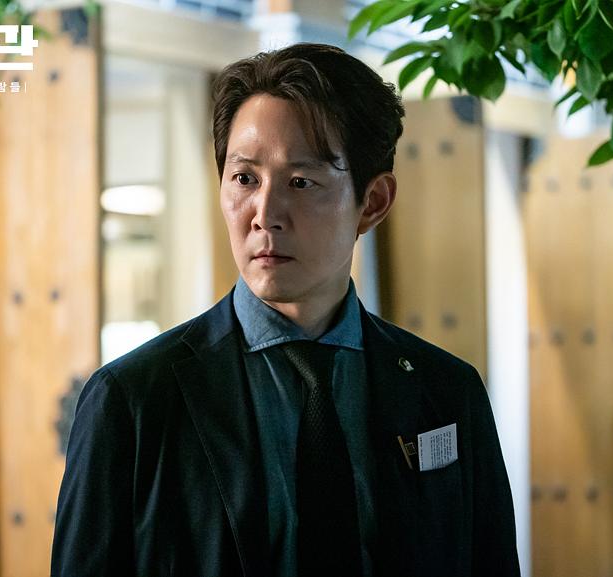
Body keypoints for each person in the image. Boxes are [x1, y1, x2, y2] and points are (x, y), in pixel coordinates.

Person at [51, 43, 520, 577]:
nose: (265, 214)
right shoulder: (132, 401)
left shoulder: (446, 390)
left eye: (301, 182)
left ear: (372, 202)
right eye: (245, 179)